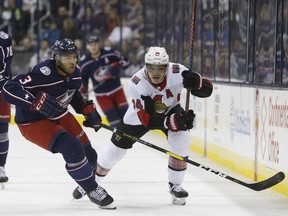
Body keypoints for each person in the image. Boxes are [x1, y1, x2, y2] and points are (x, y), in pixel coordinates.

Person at [73, 46, 213, 205]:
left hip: (171, 109)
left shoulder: (178, 71)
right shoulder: (137, 82)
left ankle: (175, 185)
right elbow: (147, 119)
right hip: (140, 116)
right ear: (145, 66)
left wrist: (196, 82)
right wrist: (173, 121)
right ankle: (91, 183)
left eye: (160, 68)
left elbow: (207, 90)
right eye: (151, 67)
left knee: (181, 142)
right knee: (115, 151)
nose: (155, 72)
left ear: (166, 67)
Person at [1, 38, 115, 209]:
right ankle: (93, 189)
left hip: (59, 114)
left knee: (91, 156)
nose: (72, 61)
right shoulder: (43, 73)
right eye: (66, 57)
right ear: (56, 58)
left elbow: (72, 93)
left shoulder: (76, 73)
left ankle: (84, 182)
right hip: (33, 121)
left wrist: (86, 109)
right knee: (72, 147)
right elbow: (8, 88)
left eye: (74, 56)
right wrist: (34, 101)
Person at [79, 34, 130, 128]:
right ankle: (119, 140)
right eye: (91, 45)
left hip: (117, 90)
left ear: (99, 44)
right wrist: (84, 95)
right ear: (88, 46)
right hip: (102, 96)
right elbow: (83, 83)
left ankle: (131, 138)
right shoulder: (84, 63)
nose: (93, 47)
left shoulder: (109, 53)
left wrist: (116, 66)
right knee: (114, 121)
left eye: (95, 44)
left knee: (126, 117)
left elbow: (126, 62)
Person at [0, 31, 13, 187]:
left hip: (1, 89)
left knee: (2, 130)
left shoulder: (4, 38)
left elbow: (5, 66)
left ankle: (0, 167)